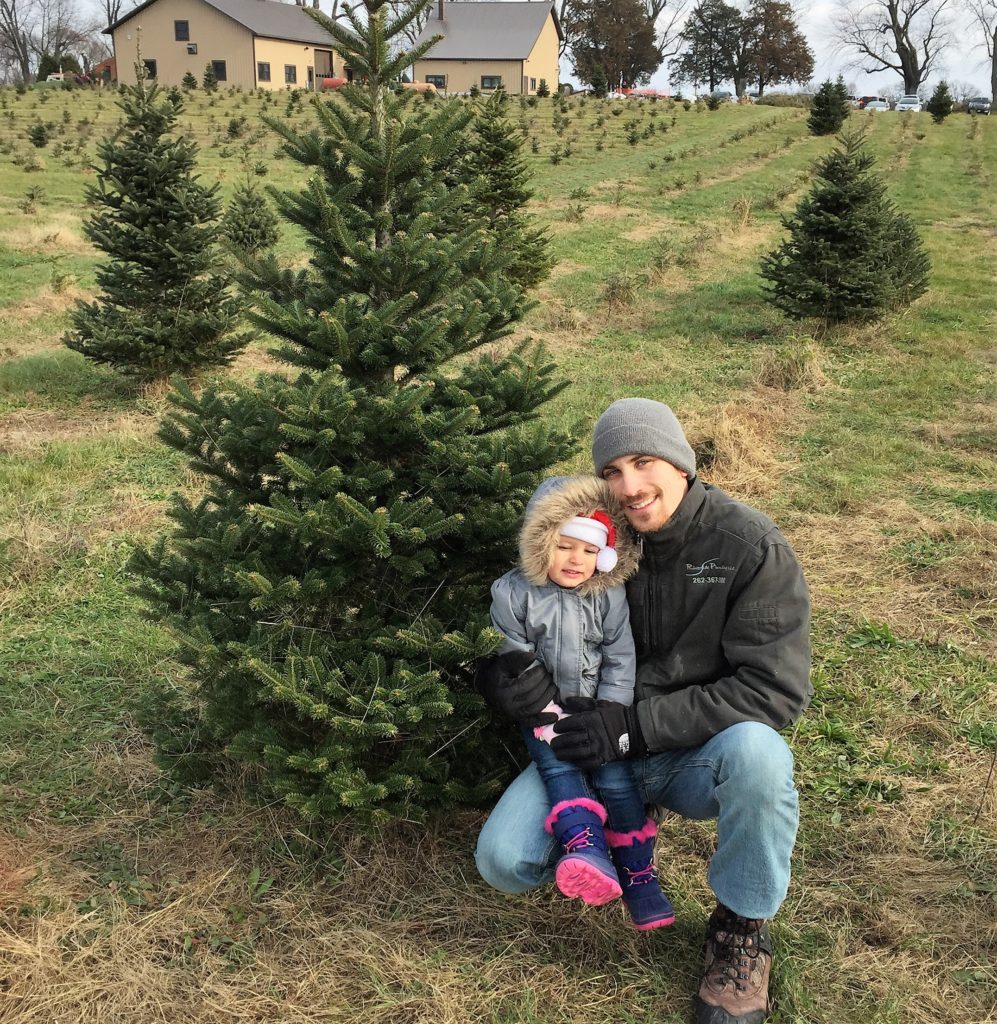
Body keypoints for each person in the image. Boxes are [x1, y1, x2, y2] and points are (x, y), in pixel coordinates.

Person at [474, 398, 812, 1024]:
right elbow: (532, 604)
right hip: (589, 740)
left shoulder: (748, 547)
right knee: (504, 862)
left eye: (644, 461)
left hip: (692, 746)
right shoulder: (595, 535)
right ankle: (610, 831)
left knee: (762, 760)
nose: (630, 487)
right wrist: (499, 676)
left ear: (681, 462)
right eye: (612, 471)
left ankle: (741, 929)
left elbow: (774, 691)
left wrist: (633, 729)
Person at [489, 475, 675, 930]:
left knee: (615, 780)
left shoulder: (607, 594)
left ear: (605, 554)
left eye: (590, 550)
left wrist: (612, 713)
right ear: (541, 545)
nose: (577, 560)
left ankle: (638, 872)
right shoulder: (513, 593)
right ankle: (585, 847)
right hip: (544, 711)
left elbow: (620, 654)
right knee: (558, 770)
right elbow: (511, 651)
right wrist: (539, 706)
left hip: (598, 714)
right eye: (565, 547)